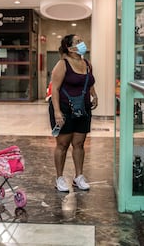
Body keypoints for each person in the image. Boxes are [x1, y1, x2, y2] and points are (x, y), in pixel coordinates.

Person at [49, 34, 98, 192]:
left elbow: (89, 81)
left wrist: (94, 94)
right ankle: (60, 178)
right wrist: (57, 111)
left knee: (79, 144)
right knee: (62, 144)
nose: (82, 43)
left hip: (83, 109)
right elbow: (54, 89)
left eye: (81, 40)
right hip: (64, 108)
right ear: (70, 48)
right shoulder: (62, 64)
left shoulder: (87, 64)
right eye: (78, 42)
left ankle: (79, 177)